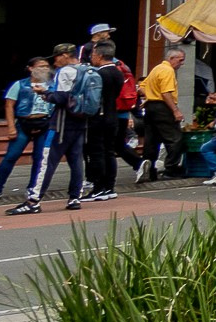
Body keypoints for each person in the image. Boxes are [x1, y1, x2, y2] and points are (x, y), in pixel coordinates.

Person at [12, 44, 93, 215]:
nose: (54, 62)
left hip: (62, 124)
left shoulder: (65, 72)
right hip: (81, 121)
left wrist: (45, 93)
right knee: (76, 161)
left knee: (47, 161)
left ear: (64, 55)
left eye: (56, 57)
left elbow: (61, 97)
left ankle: (34, 200)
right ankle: (74, 198)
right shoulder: (88, 70)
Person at [0, 57, 53, 198]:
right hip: (24, 123)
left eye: (46, 66)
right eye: (41, 66)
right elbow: (9, 105)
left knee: (39, 158)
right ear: (30, 68)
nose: (45, 69)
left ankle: (33, 187)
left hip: (45, 123)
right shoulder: (20, 85)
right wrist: (11, 127)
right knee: (11, 156)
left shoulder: (52, 85)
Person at [136, 47, 187, 183]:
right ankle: (171, 169)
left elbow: (141, 86)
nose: (181, 64)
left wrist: (150, 96)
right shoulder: (168, 70)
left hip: (151, 107)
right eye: (180, 60)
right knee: (175, 139)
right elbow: (166, 93)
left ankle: (150, 170)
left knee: (152, 140)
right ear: (172, 58)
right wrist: (175, 110)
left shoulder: (157, 68)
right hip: (162, 107)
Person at [83, 42, 127, 202]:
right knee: (109, 152)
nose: (91, 58)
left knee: (96, 152)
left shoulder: (99, 74)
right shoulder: (118, 72)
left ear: (99, 56)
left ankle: (98, 188)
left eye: (93, 55)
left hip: (98, 116)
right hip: (112, 115)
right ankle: (109, 187)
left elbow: (93, 98)